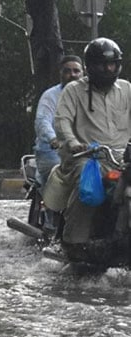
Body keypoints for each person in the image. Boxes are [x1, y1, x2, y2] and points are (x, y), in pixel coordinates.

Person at [42, 37, 131, 251]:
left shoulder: (126, 89)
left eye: (112, 64)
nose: (109, 69)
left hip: (121, 157)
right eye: (103, 64)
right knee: (88, 184)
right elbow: (61, 120)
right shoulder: (74, 90)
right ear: (90, 67)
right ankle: (75, 242)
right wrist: (72, 142)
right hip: (88, 156)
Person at [34, 55, 83, 186]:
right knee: (59, 179)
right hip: (54, 152)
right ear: (60, 73)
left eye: (76, 71)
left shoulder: (90, 95)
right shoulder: (50, 96)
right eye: (67, 71)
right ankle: (52, 206)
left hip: (84, 151)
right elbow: (42, 121)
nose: (72, 75)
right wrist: (53, 139)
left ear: (83, 73)